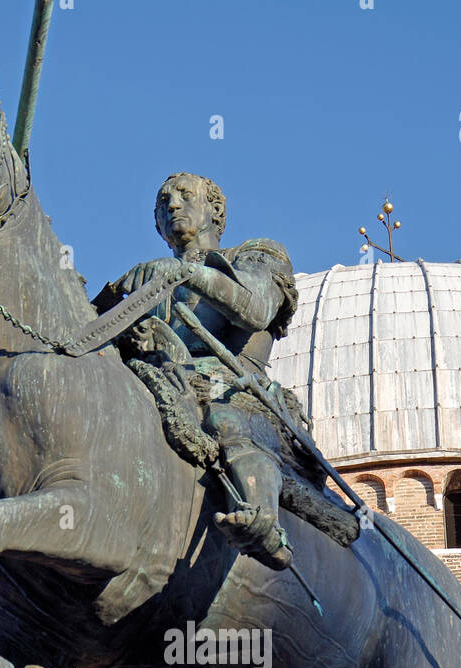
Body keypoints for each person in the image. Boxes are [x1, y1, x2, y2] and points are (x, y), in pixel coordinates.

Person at [114, 172, 317, 571]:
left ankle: (264, 524)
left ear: (216, 210)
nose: (172, 204)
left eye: (185, 196)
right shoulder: (146, 277)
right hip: (164, 386)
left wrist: (183, 274)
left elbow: (255, 307)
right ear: (157, 224)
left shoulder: (258, 253)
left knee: (225, 419)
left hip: (233, 388)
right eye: (163, 202)